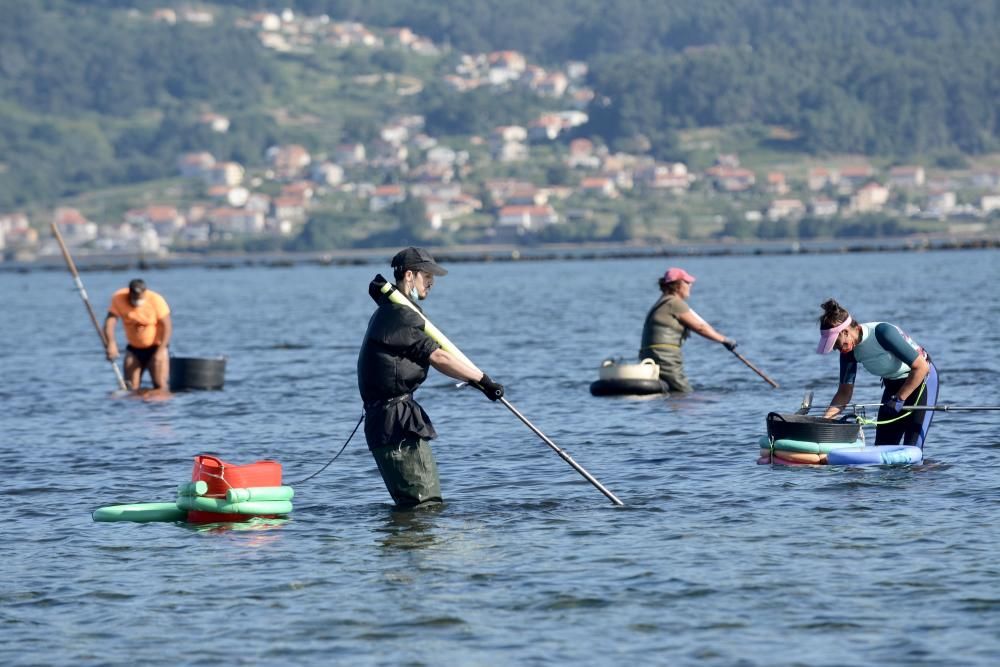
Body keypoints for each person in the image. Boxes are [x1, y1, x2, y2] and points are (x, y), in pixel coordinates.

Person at [358, 247, 504, 507]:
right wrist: (483, 380)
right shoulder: (397, 315)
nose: (432, 283)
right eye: (427, 277)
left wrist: (477, 380)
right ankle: (416, 546)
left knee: (417, 505)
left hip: (392, 421)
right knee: (424, 504)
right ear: (410, 276)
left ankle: (406, 546)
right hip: (394, 424)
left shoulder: (395, 312)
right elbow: (438, 358)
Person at [816, 298, 939, 448]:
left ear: (845, 331)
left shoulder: (882, 333)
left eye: (835, 343)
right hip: (893, 389)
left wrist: (900, 399)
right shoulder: (848, 352)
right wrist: (824, 422)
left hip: (921, 383)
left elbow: (921, 367)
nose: (835, 348)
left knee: (912, 449)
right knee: (882, 448)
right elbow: (844, 393)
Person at [639, 267, 737, 392]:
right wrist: (724, 340)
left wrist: (720, 338)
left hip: (651, 356)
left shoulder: (662, 302)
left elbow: (703, 325)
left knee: (673, 392)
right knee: (684, 392)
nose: (690, 285)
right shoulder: (674, 303)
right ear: (677, 285)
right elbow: (700, 328)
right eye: (687, 282)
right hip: (665, 358)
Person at [103, 278, 172, 390]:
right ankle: (135, 405)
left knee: (160, 385)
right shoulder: (119, 298)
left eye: (139, 297)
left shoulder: (156, 300)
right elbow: (109, 323)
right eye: (134, 297)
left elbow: (167, 327)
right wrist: (111, 343)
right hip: (134, 349)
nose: (137, 301)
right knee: (130, 387)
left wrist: (160, 351)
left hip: (156, 347)